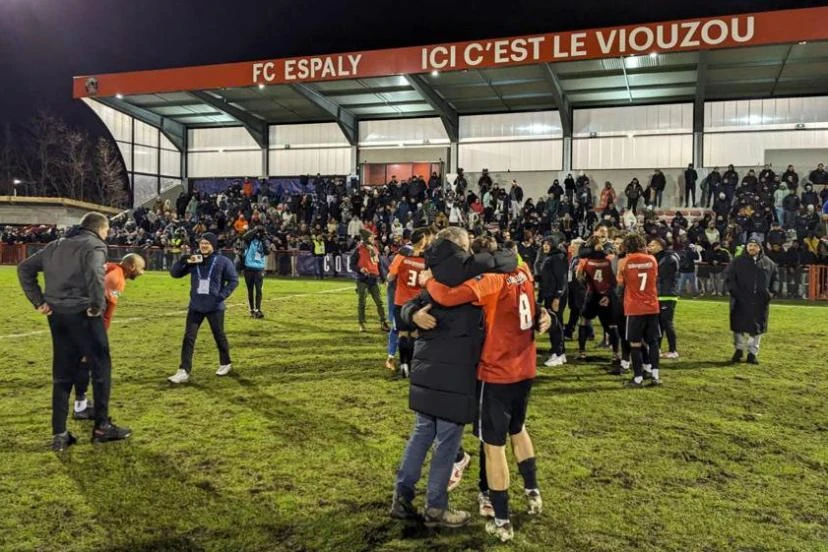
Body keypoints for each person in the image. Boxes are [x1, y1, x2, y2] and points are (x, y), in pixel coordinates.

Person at [420, 235, 551, 543]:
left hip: (497, 373)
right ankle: (532, 492)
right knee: (518, 429)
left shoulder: (491, 281)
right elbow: (532, 308)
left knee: (494, 447)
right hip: (526, 367)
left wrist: (428, 281)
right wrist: (545, 315)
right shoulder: (523, 269)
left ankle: (502, 520)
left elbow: (449, 297)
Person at [390, 228, 517, 527]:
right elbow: (508, 262)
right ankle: (436, 507)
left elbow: (406, 307)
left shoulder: (435, 279)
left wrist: (412, 316)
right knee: (446, 442)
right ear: (460, 247)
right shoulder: (472, 280)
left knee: (421, 434)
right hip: (456, 374)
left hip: (426, 371)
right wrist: (413, 314)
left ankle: (401, 497)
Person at [17, 212, 131, 451]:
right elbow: (94, 274)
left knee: (61, 374)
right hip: (84, 315)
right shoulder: (94, 245)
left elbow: (25, 268)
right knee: (101, 368)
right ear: (99, 229)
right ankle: (102, 427)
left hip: (57, 316)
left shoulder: (55, 245)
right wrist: (96, 306)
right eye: (107, 230)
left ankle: (59, 434)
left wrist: (39, 301)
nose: (108, 234)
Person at [73, 253, 146, 420]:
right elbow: (106, 309)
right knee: (85, 360)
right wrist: (101, 333)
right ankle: (79, 407)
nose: (142, 273)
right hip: (87, 318)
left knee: (82, 360)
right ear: (132, 267)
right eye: (142, 269)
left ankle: (81, 403)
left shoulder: (112, 267)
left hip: (77, 313)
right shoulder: (117, 279)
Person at [167, 232, 239, 384]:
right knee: (189, 338)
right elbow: (175, 274)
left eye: (207, 243)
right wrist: (182, 261)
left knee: (219, 336)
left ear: (213, 245)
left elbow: (233, 281)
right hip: (196, 305)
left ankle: (225, 363)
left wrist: (220, 297)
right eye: (202, 243)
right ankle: (184, 370)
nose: (204, 246)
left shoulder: (223, 261)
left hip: (215, 307)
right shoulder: (194, 260)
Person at [616, 233, 662, 387]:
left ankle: (638, 379)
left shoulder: (624, 262)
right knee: (653, 342)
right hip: (652, 305)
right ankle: (655, 376)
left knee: (635, 344)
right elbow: (654, 278)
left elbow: (621, 283)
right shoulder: (652, 259)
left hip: (634, 307)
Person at [386, 228, 432, 378]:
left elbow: (391, 277)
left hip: (401, 301)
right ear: (423, 239)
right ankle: (414, 366)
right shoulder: (427, 259)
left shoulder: (402, 256)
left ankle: (404, 366)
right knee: (416, 334)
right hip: (419, 302)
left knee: (403, 334)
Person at [725, 236, 777, 365]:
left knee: (757, 328)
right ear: (746, 247)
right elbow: (729, 279)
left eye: (755, 246)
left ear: (760, 248)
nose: (752, 248)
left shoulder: (769, 263)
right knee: (739, 326)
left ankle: (752, 353)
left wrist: (770, 294)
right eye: (750, 246)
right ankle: (739, 350)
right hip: (740, 300)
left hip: (760, 302)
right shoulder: (737, 262)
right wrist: (735, 293)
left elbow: (775, 280)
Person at [351, 229, 390, 333]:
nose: (373, 238)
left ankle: (383, 322)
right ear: (366, 238)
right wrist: (360, 269)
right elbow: (352, 265)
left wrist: (383, 279)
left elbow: (379, 265)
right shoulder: (358, 249)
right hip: (362, 279)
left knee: (379, 302)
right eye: (371, 237)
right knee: (362, 301)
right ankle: (361, 323)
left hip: (374, 279)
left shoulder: (375, 249)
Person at [538, 237, 569, 367]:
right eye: (544, 244)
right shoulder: (551, 256)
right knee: (554, 324)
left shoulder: (557, 257)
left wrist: (557, 296)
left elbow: (561, 279)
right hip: (549, 294)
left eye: (548, 244)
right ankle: (557, 352)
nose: (545, 246)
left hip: (554, 296)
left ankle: (559, 353)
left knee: (556, 324)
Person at [647, 238, 680, 359]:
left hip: (667, 295)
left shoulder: (669, 258)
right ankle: (658, 348)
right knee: (659, 323)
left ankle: (673, 350)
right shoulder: (660, 257)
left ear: (660, 246)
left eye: (652, 245)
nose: (649, 247)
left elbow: (659, 275)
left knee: (667, 322)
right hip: (660, 294)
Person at [240, 226, 269, 318]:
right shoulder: (248, 241)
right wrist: (255, 229)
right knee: (250, 290)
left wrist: (263, 238)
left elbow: (267, 251)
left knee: (259, 290)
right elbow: (244, 237)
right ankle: (252, 309)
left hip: (259, 268)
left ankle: (258, 309)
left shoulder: (263, 241)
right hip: (248, 268)